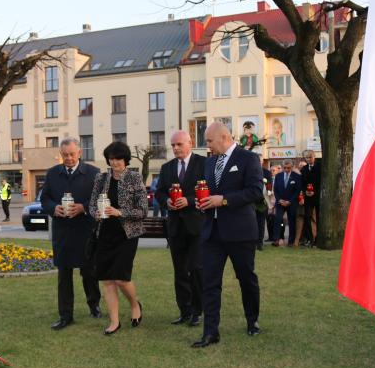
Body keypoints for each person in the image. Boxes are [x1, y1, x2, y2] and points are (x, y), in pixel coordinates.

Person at [193, 122, 263, 348]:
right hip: (212, 233)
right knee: (210, 283)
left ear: (224, 137)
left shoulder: (248, 158)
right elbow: (209, 191)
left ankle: (252, 320)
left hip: (240, 232)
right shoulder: (210, 161)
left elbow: (254, 191)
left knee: (246, 278)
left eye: (210, 141)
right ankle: (210, 332)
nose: (208, 146)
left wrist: (222, 200)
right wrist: (202, 201)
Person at [41, 137, 102, 330]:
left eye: (71, 154)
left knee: (89, 272)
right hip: (62, 233)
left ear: (80, 153)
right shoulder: (52, 174)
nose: (68, 158)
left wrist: (83, 207)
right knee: (64, 276)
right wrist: (53, 208)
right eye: (64, 155)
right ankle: (65, 315)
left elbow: (100, 200)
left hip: (85, 231)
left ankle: (94, 305)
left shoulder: (94, 173)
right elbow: (44, 199)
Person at [89, 141, 147, 335]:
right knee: (107, 280)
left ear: (125, 159)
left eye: (118, 159)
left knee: (121, 279)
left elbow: (143, 210)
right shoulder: (101, 178)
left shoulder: (134, 178)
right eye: (111, 159)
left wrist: (119, 211)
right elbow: (91, 205)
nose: (115, 163)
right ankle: (114, 321)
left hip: (126, 234)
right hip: (104, 233)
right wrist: (96, 213)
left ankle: (135, 305)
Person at [155, 130, 206, 326]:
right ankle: (184, 310)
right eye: (173, 145)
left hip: (197, 225)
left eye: (179, 144)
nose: (175, 148)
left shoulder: (203, 163)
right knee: (180, 271)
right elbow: (159, 191)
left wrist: (190, 200)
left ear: (190, 143)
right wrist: (166, 200)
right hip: (175, 227)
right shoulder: (167, 167)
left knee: (196, 269)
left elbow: (209, 188)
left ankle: (197, 311)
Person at [271, 160, 301, 247]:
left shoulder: (296, 176)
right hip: (280, 202)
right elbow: (275, 189)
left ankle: (291, 241)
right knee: (278, 220)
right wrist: (279, 200)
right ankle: (276, 239)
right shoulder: (278, 176)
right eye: (285, 168)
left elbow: (297, 191)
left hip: (291, 203)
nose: (286, 169)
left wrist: (290, 201)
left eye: (288, 168)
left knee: (291, 221)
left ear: (292, 167)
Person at [300, 150, 322, 246]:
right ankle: (310, 238)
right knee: (307, 217)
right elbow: (302, 183)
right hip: (308, 197)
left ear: (314, 156)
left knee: (318, 218)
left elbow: (322, 182)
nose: (309, 159)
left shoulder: (320, 166)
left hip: (317, 197)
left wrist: (315, 192)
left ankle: (318, 239)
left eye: (310, 157)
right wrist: (306, 191)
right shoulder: (304, 169)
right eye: (307, 157)